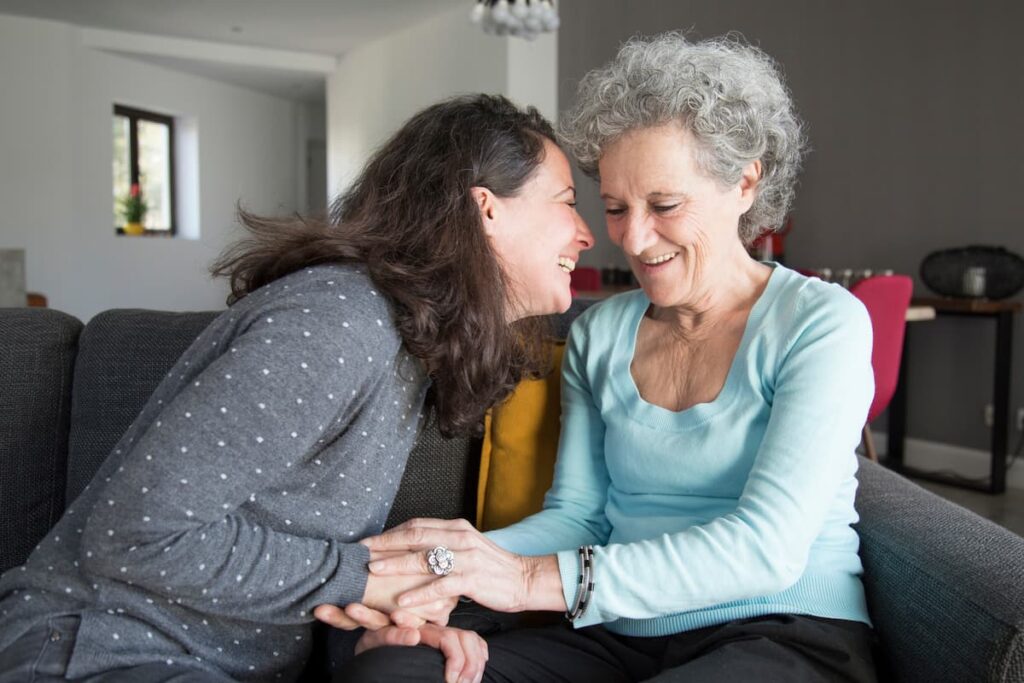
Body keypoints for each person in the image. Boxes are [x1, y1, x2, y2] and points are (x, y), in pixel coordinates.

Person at [324, 33, 879, 682]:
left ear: (745, 182)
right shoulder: (601, 334)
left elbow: (768, 547)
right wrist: (436, 565)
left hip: (781, 633)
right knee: (394, 669)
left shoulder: (820, 322)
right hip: (617, 632)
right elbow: (579, 516)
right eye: (615, 207)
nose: (634, 239)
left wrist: (526, 579)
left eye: (664, 205)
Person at [0, 94, 593, 683]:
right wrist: (363, 576)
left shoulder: (408, 344)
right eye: (568, 202)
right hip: (91, 648)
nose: (587, 234)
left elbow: (292, 564)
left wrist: (376, 632)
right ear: (486, 209)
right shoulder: (338, 321)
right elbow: (128, 536)